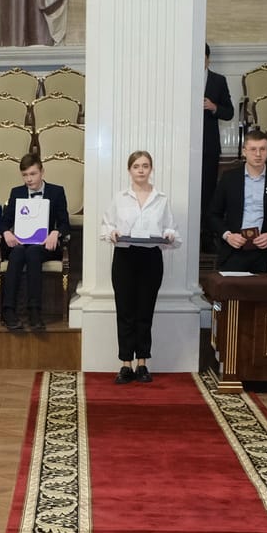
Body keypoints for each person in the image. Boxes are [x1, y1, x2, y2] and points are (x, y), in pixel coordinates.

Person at [99, 150, 179, 384]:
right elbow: (106, 225)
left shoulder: (161, 199)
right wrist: (112, 232)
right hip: (125, 256)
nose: (141, 170)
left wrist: (169, 235)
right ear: (129, 170)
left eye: (145, 166)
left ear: (151, 169)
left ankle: (142, 363)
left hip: (151, 257)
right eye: (136, 166)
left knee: (145, 311)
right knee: (125, 311)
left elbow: (171, 228)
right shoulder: (120, 198)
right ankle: (126, 364)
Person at [0, 155, 71, 332]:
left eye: (33, 174)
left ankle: (34, 310)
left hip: (45, 245)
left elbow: (65, 223)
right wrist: (6, 232)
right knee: (17, 252)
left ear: (42, 172)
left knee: (33, 252)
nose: (29, 179)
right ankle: (8, 310)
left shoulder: (56, 192)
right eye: (25, 175)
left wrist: (56, 232)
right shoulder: (17, 192)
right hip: (21, 243)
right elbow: (4, 222)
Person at [210, 132, 267, 276]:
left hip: (266, 252)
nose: (258, 154)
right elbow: (213, 215)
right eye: (253, 149)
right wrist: (228, 236)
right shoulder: (229, 178)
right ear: (244, 152)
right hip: (234, 250)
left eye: (262, 149)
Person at [200, 44, 233, 222]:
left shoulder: (218, 80)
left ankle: (206, 231)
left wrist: (214, 107)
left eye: (202, 57)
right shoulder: (183, 78)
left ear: (208, 59)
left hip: (209, 146)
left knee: (208, 190)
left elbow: (229, 112)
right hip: (185, 146)